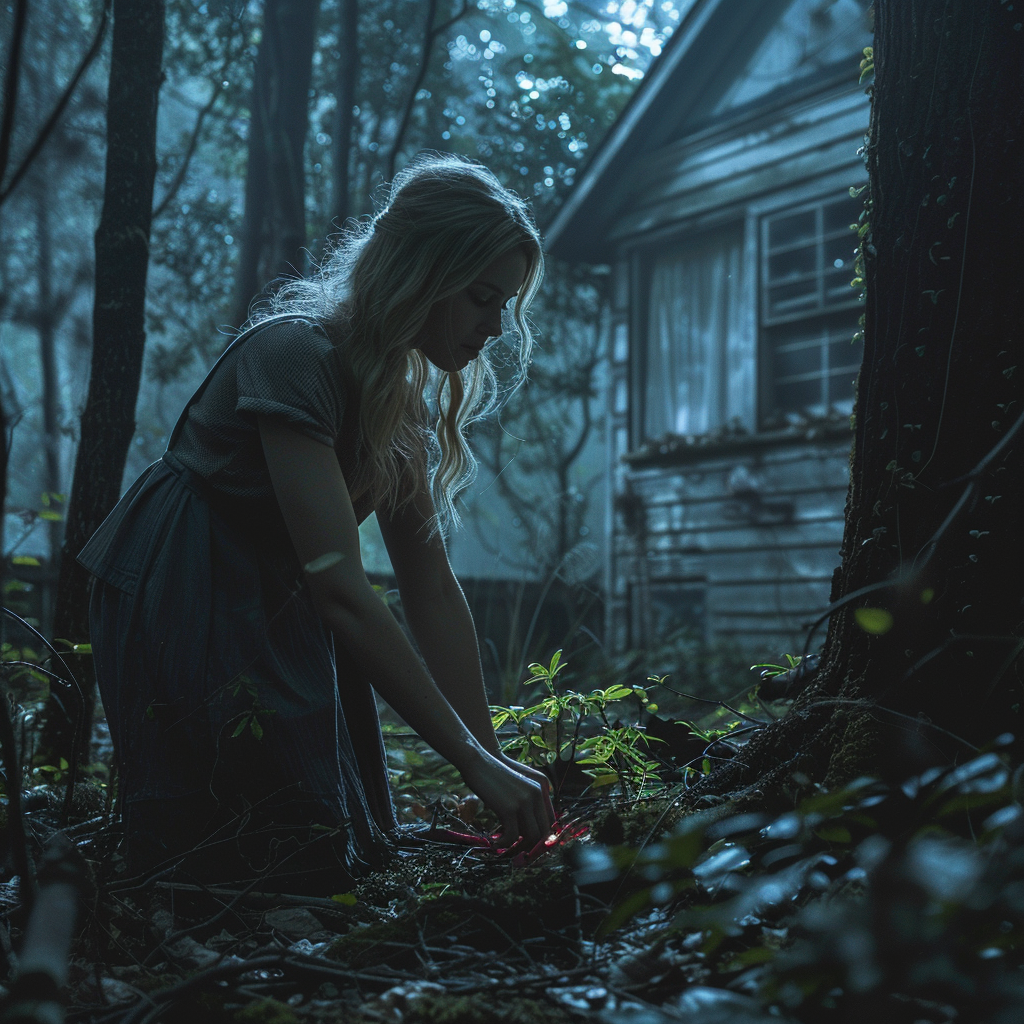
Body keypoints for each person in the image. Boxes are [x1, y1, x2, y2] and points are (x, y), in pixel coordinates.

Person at [78, 154, 556, 890]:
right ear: (420, 275)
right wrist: (467, 759)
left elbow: (430, 587)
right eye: (482, 298)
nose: (495, 326)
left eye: (505, 305)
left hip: (278, 590)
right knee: (242, 857)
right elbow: (338, 588)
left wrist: (487, 756)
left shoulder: (398, 400)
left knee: (333, 843)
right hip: (183, 581)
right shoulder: (294, 352)